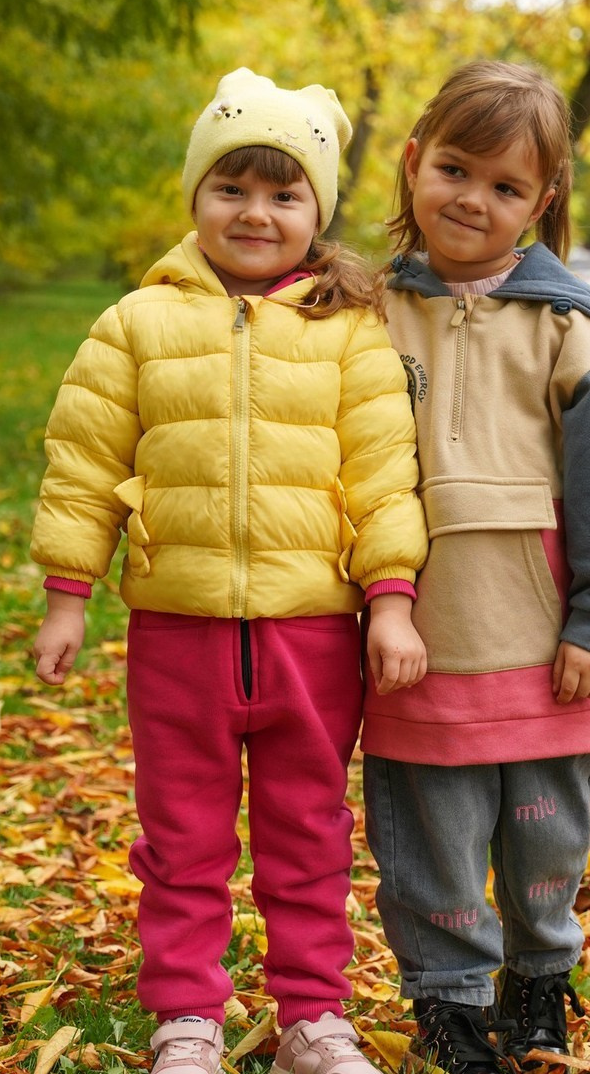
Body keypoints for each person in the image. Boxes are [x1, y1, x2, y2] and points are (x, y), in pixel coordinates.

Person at [30, 68, 430, 1074]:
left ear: (316, 208)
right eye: (231, 188)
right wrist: (66, 593)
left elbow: (385, 475)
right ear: (196, 196)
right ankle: (187, 1017)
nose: (255, 212)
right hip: (180, 631)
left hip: (311, 635)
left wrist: (390, 601)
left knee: (307, 830)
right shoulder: (136, 324)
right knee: (183, 836)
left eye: (283, 192)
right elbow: (82, 463)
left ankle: (311, 1016)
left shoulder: (349, 332)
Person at [360, 60, 590, 1073]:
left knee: (541, 844)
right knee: (428, 842)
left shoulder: (565, 326)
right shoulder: (365, 314)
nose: (470, 198)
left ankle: (536, 980)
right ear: (410, 164)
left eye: (504, 184)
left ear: (541, 201)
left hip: (544, 640)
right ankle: (447, 1000)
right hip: (418, 640)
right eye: (451, 167)